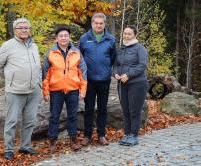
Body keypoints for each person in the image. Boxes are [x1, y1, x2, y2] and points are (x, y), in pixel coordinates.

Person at [0, 18, 42, 160]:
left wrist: (38, 83)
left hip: (33, 90)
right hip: (15, 91)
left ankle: (25, 146)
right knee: (11, 121)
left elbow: (37, 66)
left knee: (30, 121)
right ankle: (8, 149)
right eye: (21, 28)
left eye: (27, 27)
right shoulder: (8, 45)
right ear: (15, 30)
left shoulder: (34, 46)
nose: (24, 30)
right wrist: (10, 78)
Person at [42, 26, 87, 152]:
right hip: (55, 90)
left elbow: (83, 73)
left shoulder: (77, 52)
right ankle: (52, 140)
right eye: (61, 36)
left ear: (69, 37)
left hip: (73, 89)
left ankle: (73, 139)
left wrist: (82, 91)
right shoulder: (50, 53)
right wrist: (45, 92)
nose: (63, 38)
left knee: (73, 116)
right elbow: (45, 74)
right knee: (54, 116)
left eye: (66, 35)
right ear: (56, 38)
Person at [78, 13, 117, 146]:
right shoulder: (84, 38)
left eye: (101, 23)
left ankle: (101, 135)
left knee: (102, 108)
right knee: (88, 108)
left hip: (104, 80)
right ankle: (87, 136)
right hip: (88, 80)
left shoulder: (110, 39)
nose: (99, 25)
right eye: (96, 23)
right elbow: (79, 58)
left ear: (104, 24)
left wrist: (105, 69)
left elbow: (113, 59)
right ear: (92, 24)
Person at [113, 25, 148, 146]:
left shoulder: (140, 49)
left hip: (137, 84)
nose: (126, 36)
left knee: (134, 110)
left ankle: (134, 135)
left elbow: (142, 65)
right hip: (122, 84)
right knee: (125, 110)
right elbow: (116, 64)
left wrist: (128, 75)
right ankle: (127, 134)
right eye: (125, 33)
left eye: (129, 34)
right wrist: (116, 73)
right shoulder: (121, 49)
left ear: (135, 35)